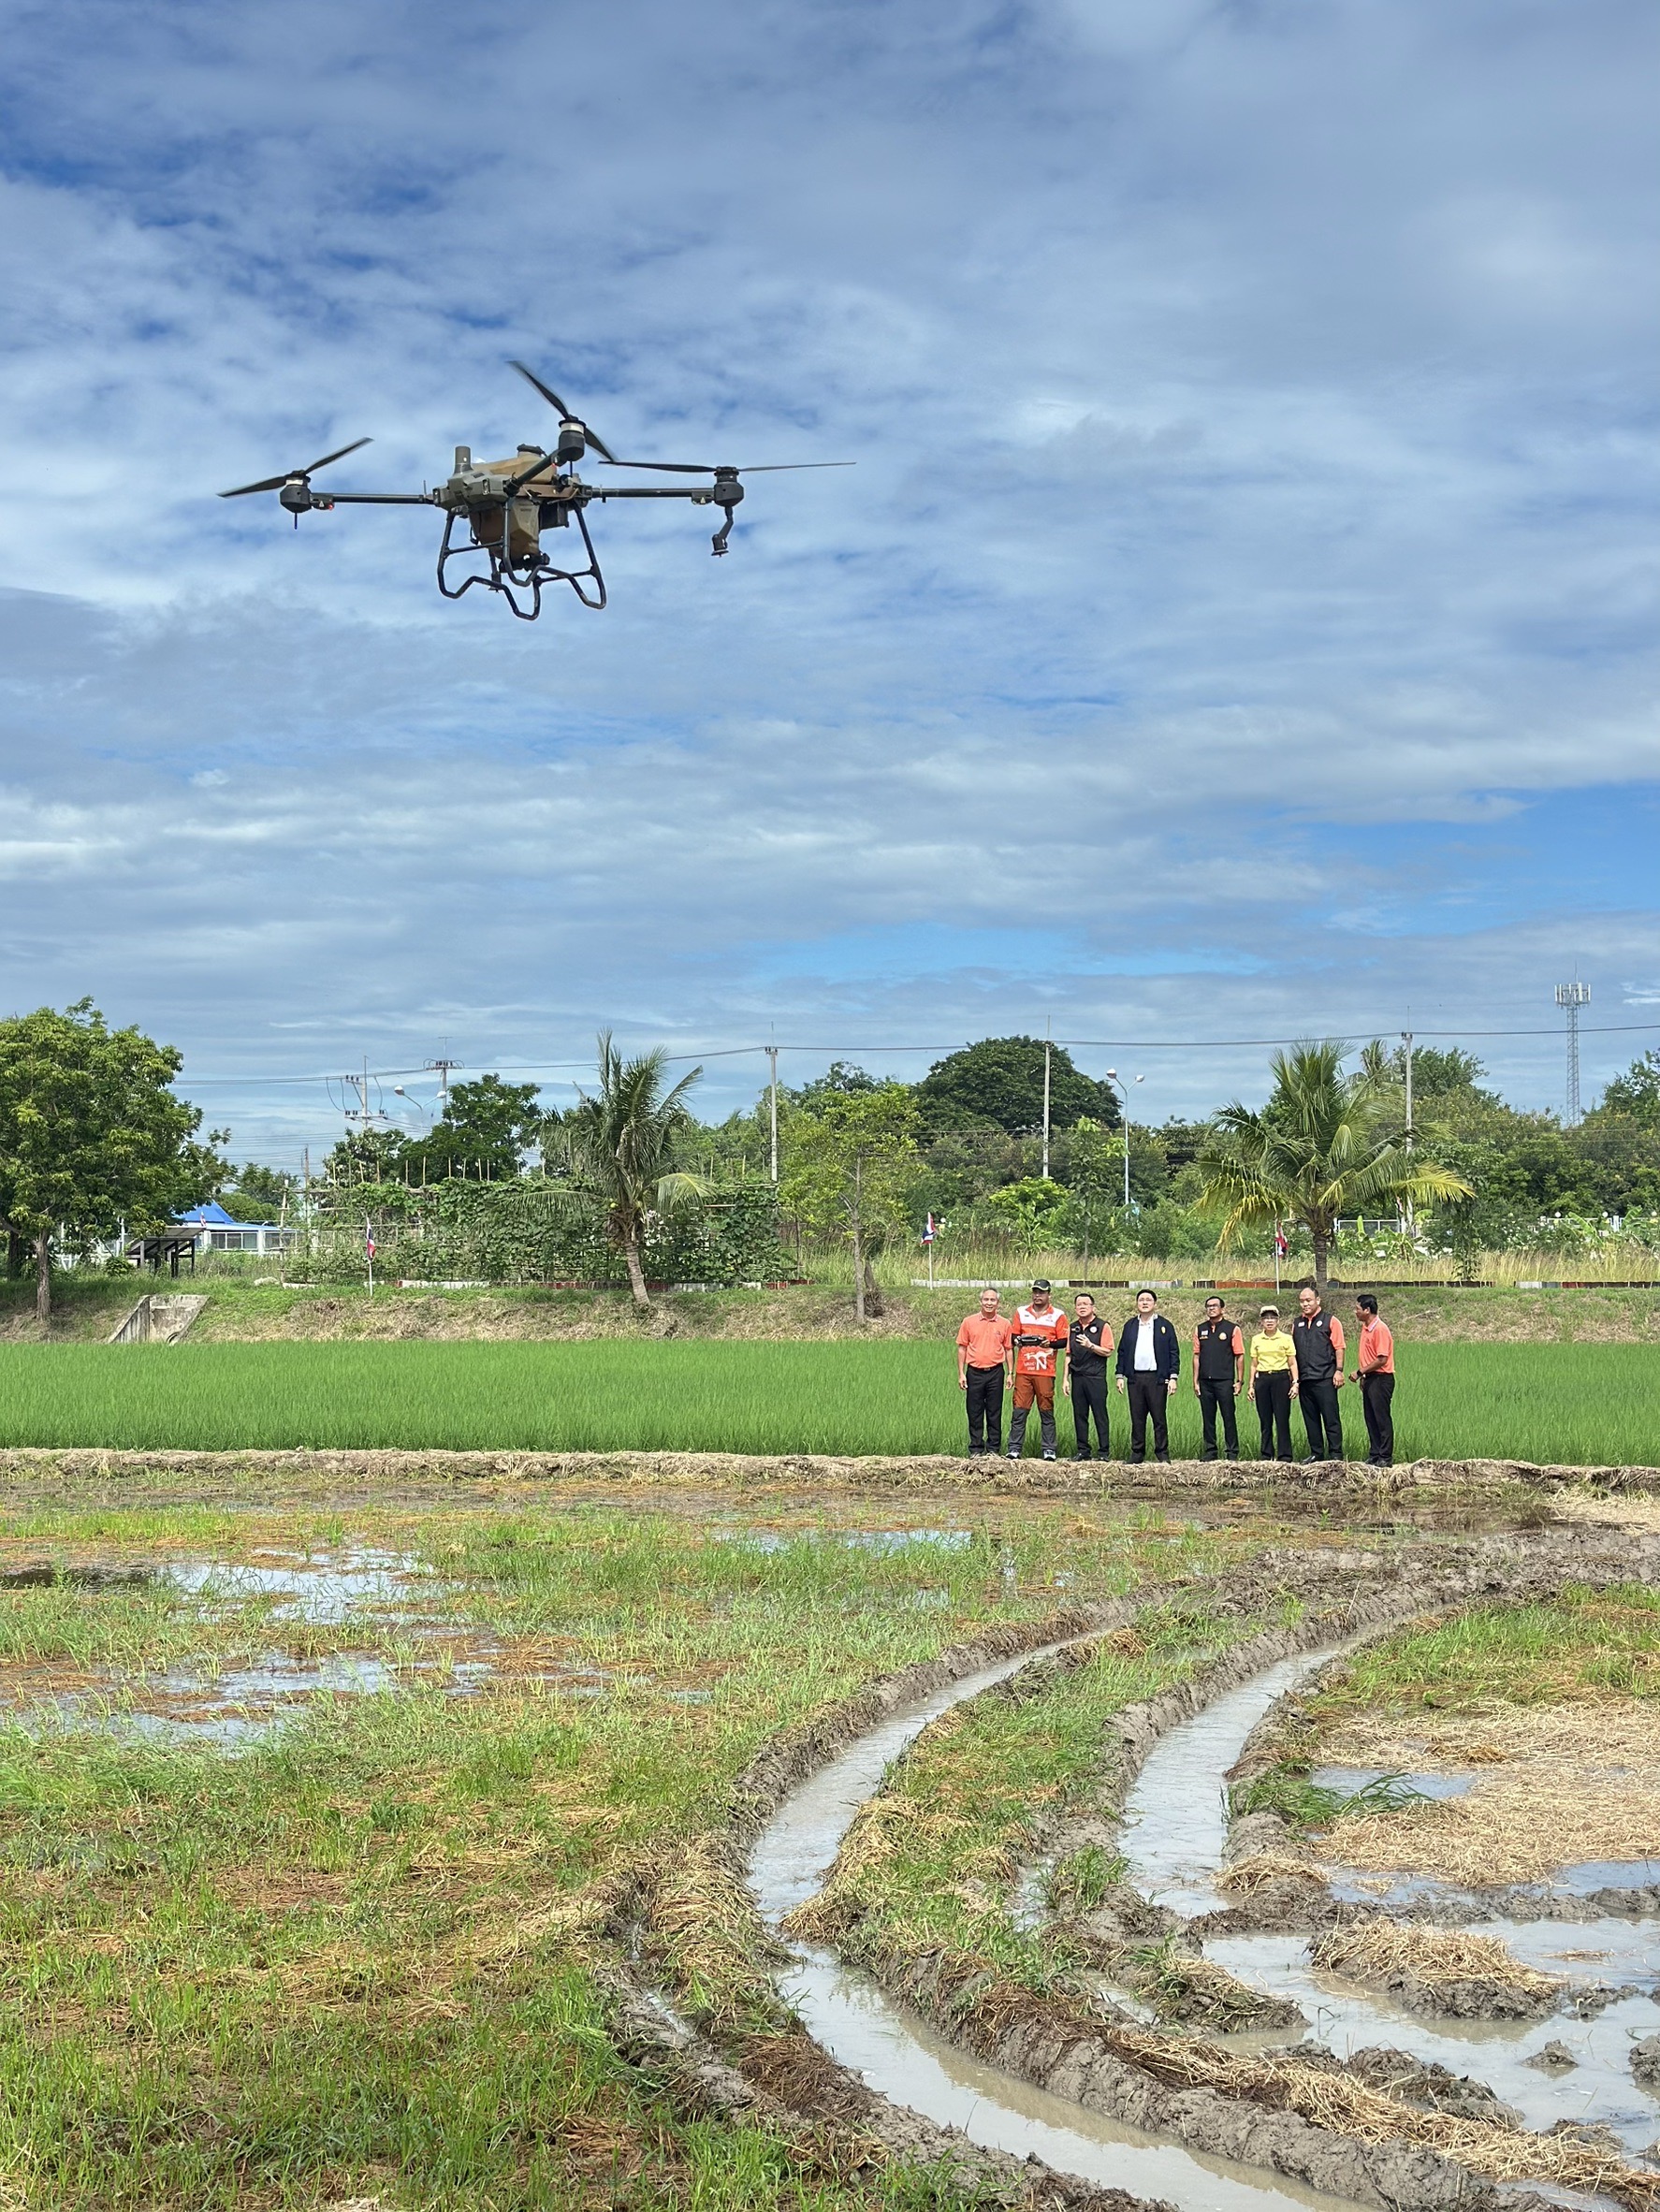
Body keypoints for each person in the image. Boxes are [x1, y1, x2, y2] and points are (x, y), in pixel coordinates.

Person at [1114, 1288, 1179, 1463]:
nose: (1144, 1302)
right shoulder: (1130, 1325)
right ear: (1137, 1304)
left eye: (1148, 1300)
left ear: (1154, 1304)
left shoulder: (1164, 1325)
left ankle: (1162, 1454)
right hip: (1135, 1378)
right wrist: (1120, 1375)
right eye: (1141, 1299)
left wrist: (1173, 1377)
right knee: (1137, 1417)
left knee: (1159, 1417)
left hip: (1157, 1379)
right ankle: (1137, 1454)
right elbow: (1122, 1351)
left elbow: (1174, 1352)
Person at [1007, 1278, 1068, 1461]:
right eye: (1035, 1292)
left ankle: (1049, 1449)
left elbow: (1064, 1341)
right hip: (1024, 1370)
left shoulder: (1058, 1315)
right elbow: (1014, 1336)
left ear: (1049, 1294)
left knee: (1046, 1410)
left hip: (1045, 1371)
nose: (1037, 1295)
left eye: (1041, 1292)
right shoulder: (1021, 1312)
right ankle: (1014, 1448)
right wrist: (1018, 1340)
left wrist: (1050, 1343)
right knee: (1019, 1410)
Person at [1291, 1284, 1346, 1463]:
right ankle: (1316, 1453)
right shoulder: (1296, 1324)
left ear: (1318, 1300)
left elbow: (1339, 1347)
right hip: (1305, 1380)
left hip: (1325, 1378)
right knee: (1311, 1419)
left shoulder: (1330, 1320)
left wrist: (1338, 1371)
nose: (1305, 1304)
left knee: (1331, 1418)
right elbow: (1293, 1353)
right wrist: (1295, 1380)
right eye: (1302, 1301)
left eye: (1308, 1300)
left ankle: (1336, 1454)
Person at [956, 1287, 1013, 1457]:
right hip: (974, 1372)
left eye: (993, 1300)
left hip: (996, 1372)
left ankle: (993, 1449)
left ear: (998, 1303)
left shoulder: (1004, 1324)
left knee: (994, 1411)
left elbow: (1009, 1349)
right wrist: (961, 1373)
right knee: (974, 1411)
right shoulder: (969, 1322)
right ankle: (976, 1448)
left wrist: (1010, 1373)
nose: (989, 1303)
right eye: (986, 1300)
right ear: (980, 1302)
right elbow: (962, 1348)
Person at [1192, 1294, 1245, 1462]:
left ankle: (1232, 1452)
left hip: (1224, 1381)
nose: (1211, 1308)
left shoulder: (1232, 1329)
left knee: (1228, 1416)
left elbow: (1240, 1356)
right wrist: (1195, 1381)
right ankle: (1210, 1451)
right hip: (1205, 1381)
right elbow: (1196, 1356)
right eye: (1208, 1306)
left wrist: (1239, 1381)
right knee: (1208, 1417)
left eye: (1215, 1305)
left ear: (1222, 1309)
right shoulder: (1200, 1329)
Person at [1348, 1293, 1396, 1466]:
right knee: (1370, 1418)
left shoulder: (1380, 1329)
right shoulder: (1366, 1327)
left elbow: (1381, 1359)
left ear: (1367, 1310)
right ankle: (1375, 1454)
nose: (1355, 1312)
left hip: (1381, 1379)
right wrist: (1365, 1377)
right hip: (1370, 1378)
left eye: (1357, 1309)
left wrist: (1360, 1372)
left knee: (1381, 1418)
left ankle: (1385, 1457)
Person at [1066, 1291, 1114, 1460]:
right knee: (1080, 1415)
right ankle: (1083, 1450)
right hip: (1077, 1377)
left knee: (1100, 1414)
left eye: (1085, 1304)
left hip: (1096, 1377)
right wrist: (1066, 1378)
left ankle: (1103, 1452)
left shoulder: (1102, 1326)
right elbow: (1068, 1354)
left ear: (1093, 1307)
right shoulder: (1072, 1327)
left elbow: (1108, 1351)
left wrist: (1090, 1345)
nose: (1082, 1307)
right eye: (1079, 1304)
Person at [1248, 1304, 1298, 1462]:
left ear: (1278, 1320)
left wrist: (1295, 1382)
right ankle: (1266, 1454)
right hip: (1262, 1379)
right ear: (1261, 1321)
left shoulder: (1286, 1339)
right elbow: (1254, 1364)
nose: (1269, 1321)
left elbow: (1292, 1363)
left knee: (1282, 1418)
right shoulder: (1256, 1339)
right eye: (1266, 1318)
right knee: (1265, 1418)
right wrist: (1251, 1385)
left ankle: (1285, 1455)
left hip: (1281, 1379)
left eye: (1272, 1318)